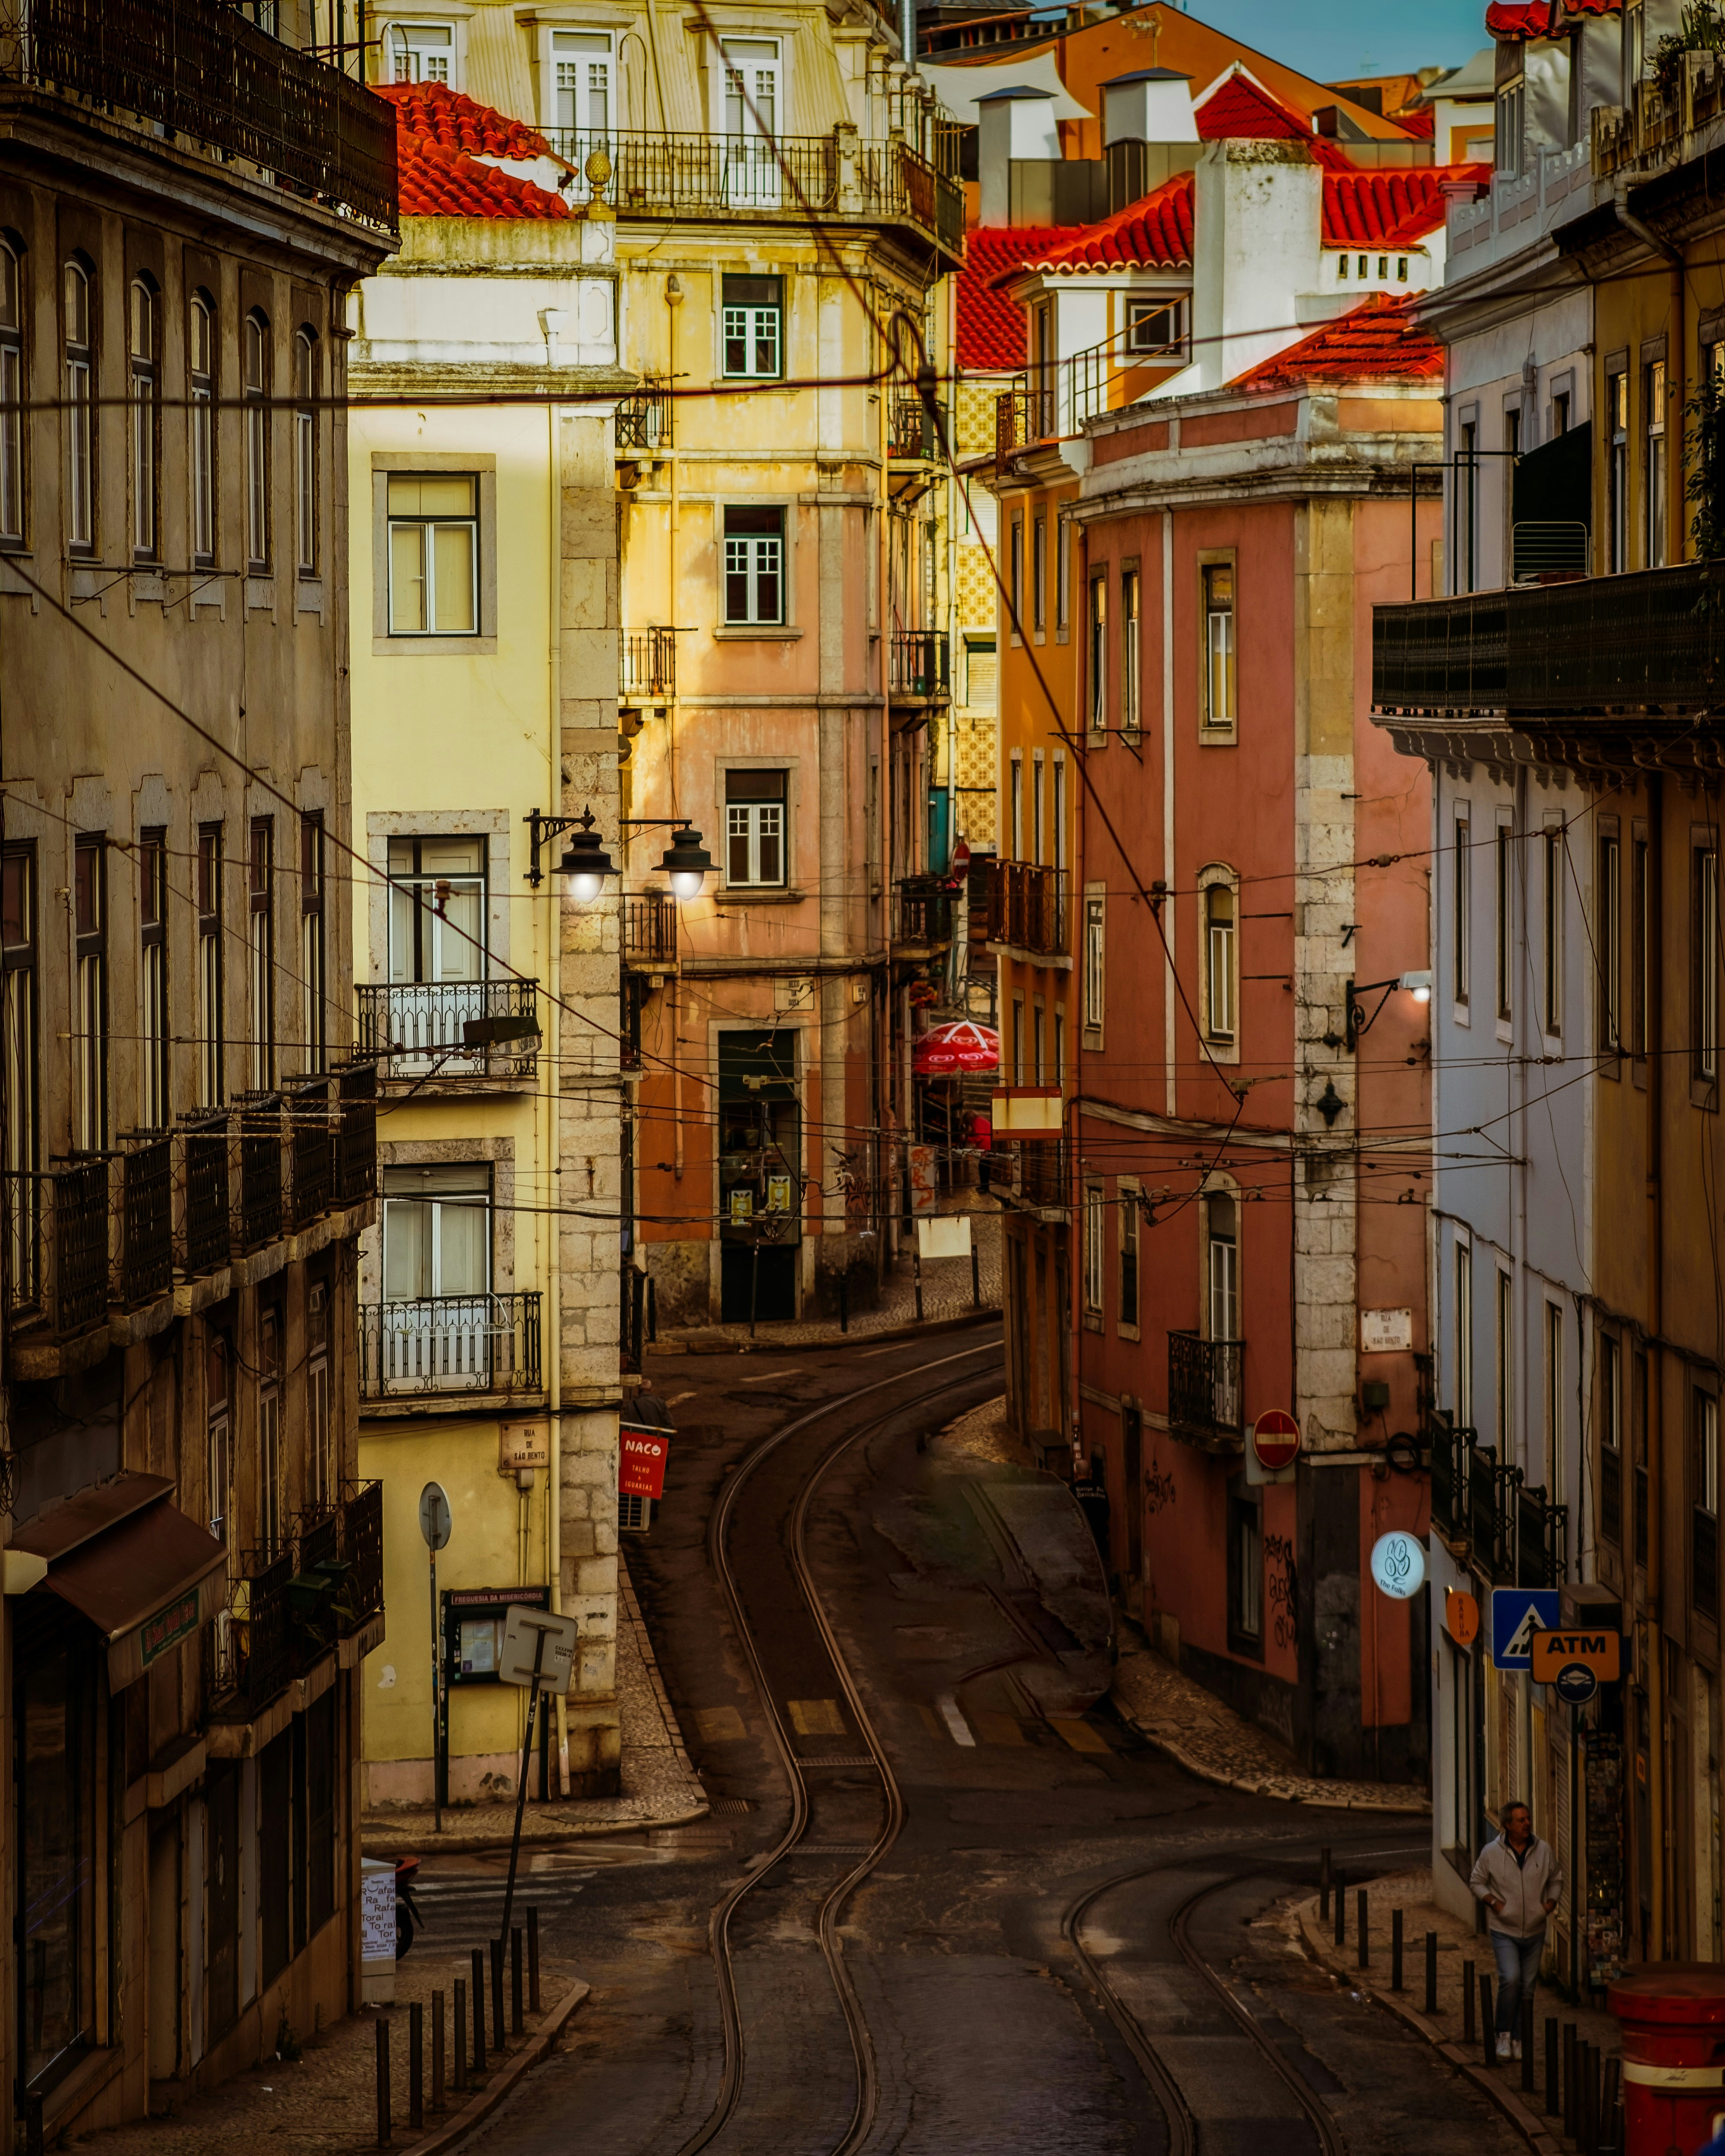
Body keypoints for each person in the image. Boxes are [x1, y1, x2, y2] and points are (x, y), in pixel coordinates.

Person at [1469, 1801, 1563, 2062]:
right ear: (1508, 1825)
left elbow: (1557, 1878)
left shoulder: (1542, 1850)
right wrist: (1494, 1903)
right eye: (1521, 1820)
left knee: (1527, 1988)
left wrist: (1550, 1904)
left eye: (1528, 1819)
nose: (1527, 1824)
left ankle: (1520, 2038)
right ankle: (1503, 2033)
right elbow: (1476, 1881)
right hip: (1504, 1930)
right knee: (1510, 1979)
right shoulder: (1491, 1853)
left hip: (1535, 1932)